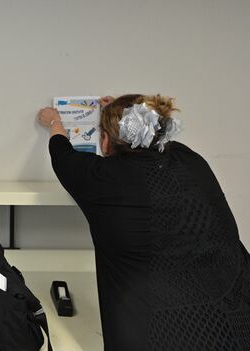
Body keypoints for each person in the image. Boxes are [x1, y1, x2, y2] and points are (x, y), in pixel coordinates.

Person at [38, 94, 250, 351]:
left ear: (105, 143)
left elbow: (62, 152)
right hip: (236, 320)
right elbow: (156, 143)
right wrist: (118, 115)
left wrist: (54, 122)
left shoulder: (102, 180)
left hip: (158, 335)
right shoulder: (192, 161)